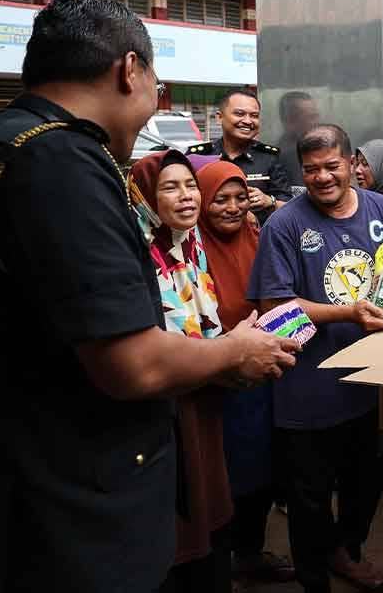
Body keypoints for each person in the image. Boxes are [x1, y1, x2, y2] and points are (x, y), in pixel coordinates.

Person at [0, 0, 298, 593]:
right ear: (128, 70)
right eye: (156, 82)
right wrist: (235, 353)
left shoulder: (12, 138)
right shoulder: (64, 162)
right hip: (79, 503)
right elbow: (130, 364)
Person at [248, 124, 383, 593]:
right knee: (308, 500)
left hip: (370, 381)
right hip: (308, 391)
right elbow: (273, 309)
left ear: (353, 163)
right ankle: (315, 579)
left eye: (331, 167)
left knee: (365, 485)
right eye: (311, 170)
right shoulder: (285, 224)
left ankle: (346, 551)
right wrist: (348, 312)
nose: (322, 178)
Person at [129, 151, 233, 592]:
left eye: (190, 185)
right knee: (176, 508)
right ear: (145, 198)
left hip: (203, 388)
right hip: (165, 402)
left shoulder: (191, 243)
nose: (187, 196)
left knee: (207, 500)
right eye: (170, 187)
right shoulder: (135, 253)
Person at [196, 160, 295, 586]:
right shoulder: (190, 249)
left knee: (262, 473)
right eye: (221, 199)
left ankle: (250, 553)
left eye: (240, 198)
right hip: (219, 381)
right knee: (223, 476)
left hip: (263, 377)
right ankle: (217, 561)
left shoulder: (258, 234)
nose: (233, 208)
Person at [188, 88, 291, 226]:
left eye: (254, 115)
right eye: (239, 114)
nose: (248, 121)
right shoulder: (199, 156)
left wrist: (269, 201)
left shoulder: (270, 157)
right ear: (219, 117)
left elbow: (289, 207)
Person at [276, 90, 321, 188]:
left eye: (316, 116)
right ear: (290, 121)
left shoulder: (312, 146)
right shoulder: (286, 155)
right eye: (311, 117)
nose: (317, 122)